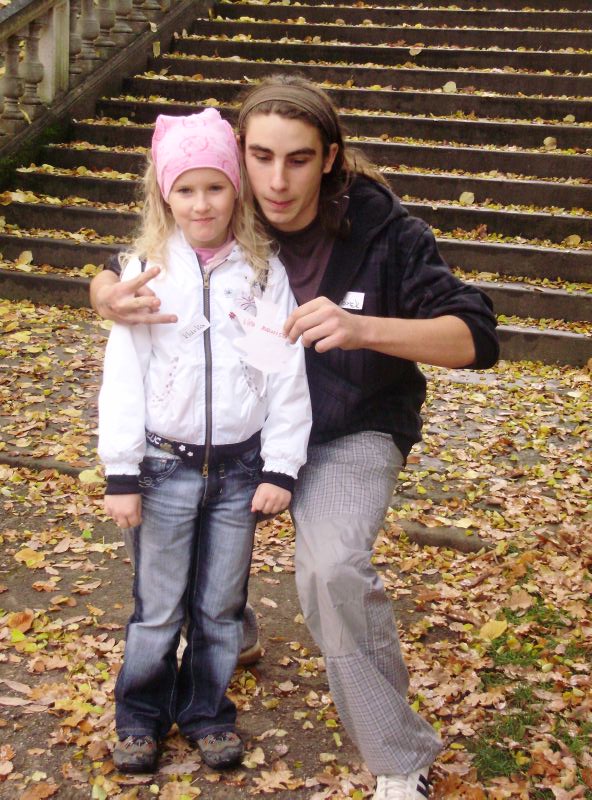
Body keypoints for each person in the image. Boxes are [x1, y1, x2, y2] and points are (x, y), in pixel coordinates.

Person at [91, 76, 499, 799]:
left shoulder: (385, 231)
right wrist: (104, 294)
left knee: (331, 569)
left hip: (348, 425)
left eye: (300, 159)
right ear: (238, 154)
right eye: (261, 157)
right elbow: (138, 255)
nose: (277, 181)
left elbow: (475, 336)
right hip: (235, 431)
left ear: (330, 157)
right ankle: (223, 633)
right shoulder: (223, 197)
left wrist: (361, 328)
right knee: (181, 537)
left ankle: (398, 759)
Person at [97, 108, 311, 775]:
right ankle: (140, 716)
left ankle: (207, 712)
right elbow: (124, 374)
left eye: (215, 187)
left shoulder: (263, 271)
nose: (201, 203)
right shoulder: (147, 272)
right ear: (165, 194)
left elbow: (285, 372)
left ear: (235, 191)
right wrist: (121, 472)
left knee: (220, 607)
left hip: (240, 472)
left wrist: (281, 466)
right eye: (185, 189)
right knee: (158, 607)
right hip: (164, 468)